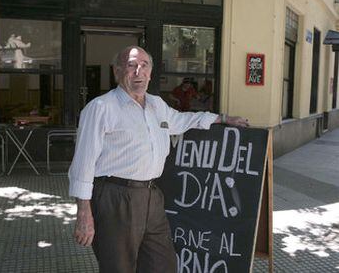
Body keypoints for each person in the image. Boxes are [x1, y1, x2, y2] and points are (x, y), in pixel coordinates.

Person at [68, 46, 248, 273]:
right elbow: (83, 164)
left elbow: (183, 120)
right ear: (117, 71)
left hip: (153, 196)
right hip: (115, 198)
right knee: (118, 267)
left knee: (162, 264)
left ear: (151, 73)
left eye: (144, 66)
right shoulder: (101, 108)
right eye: (131, 65)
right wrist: (84, 213)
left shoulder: (157, 105)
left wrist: (221, 118)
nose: (138, 72)